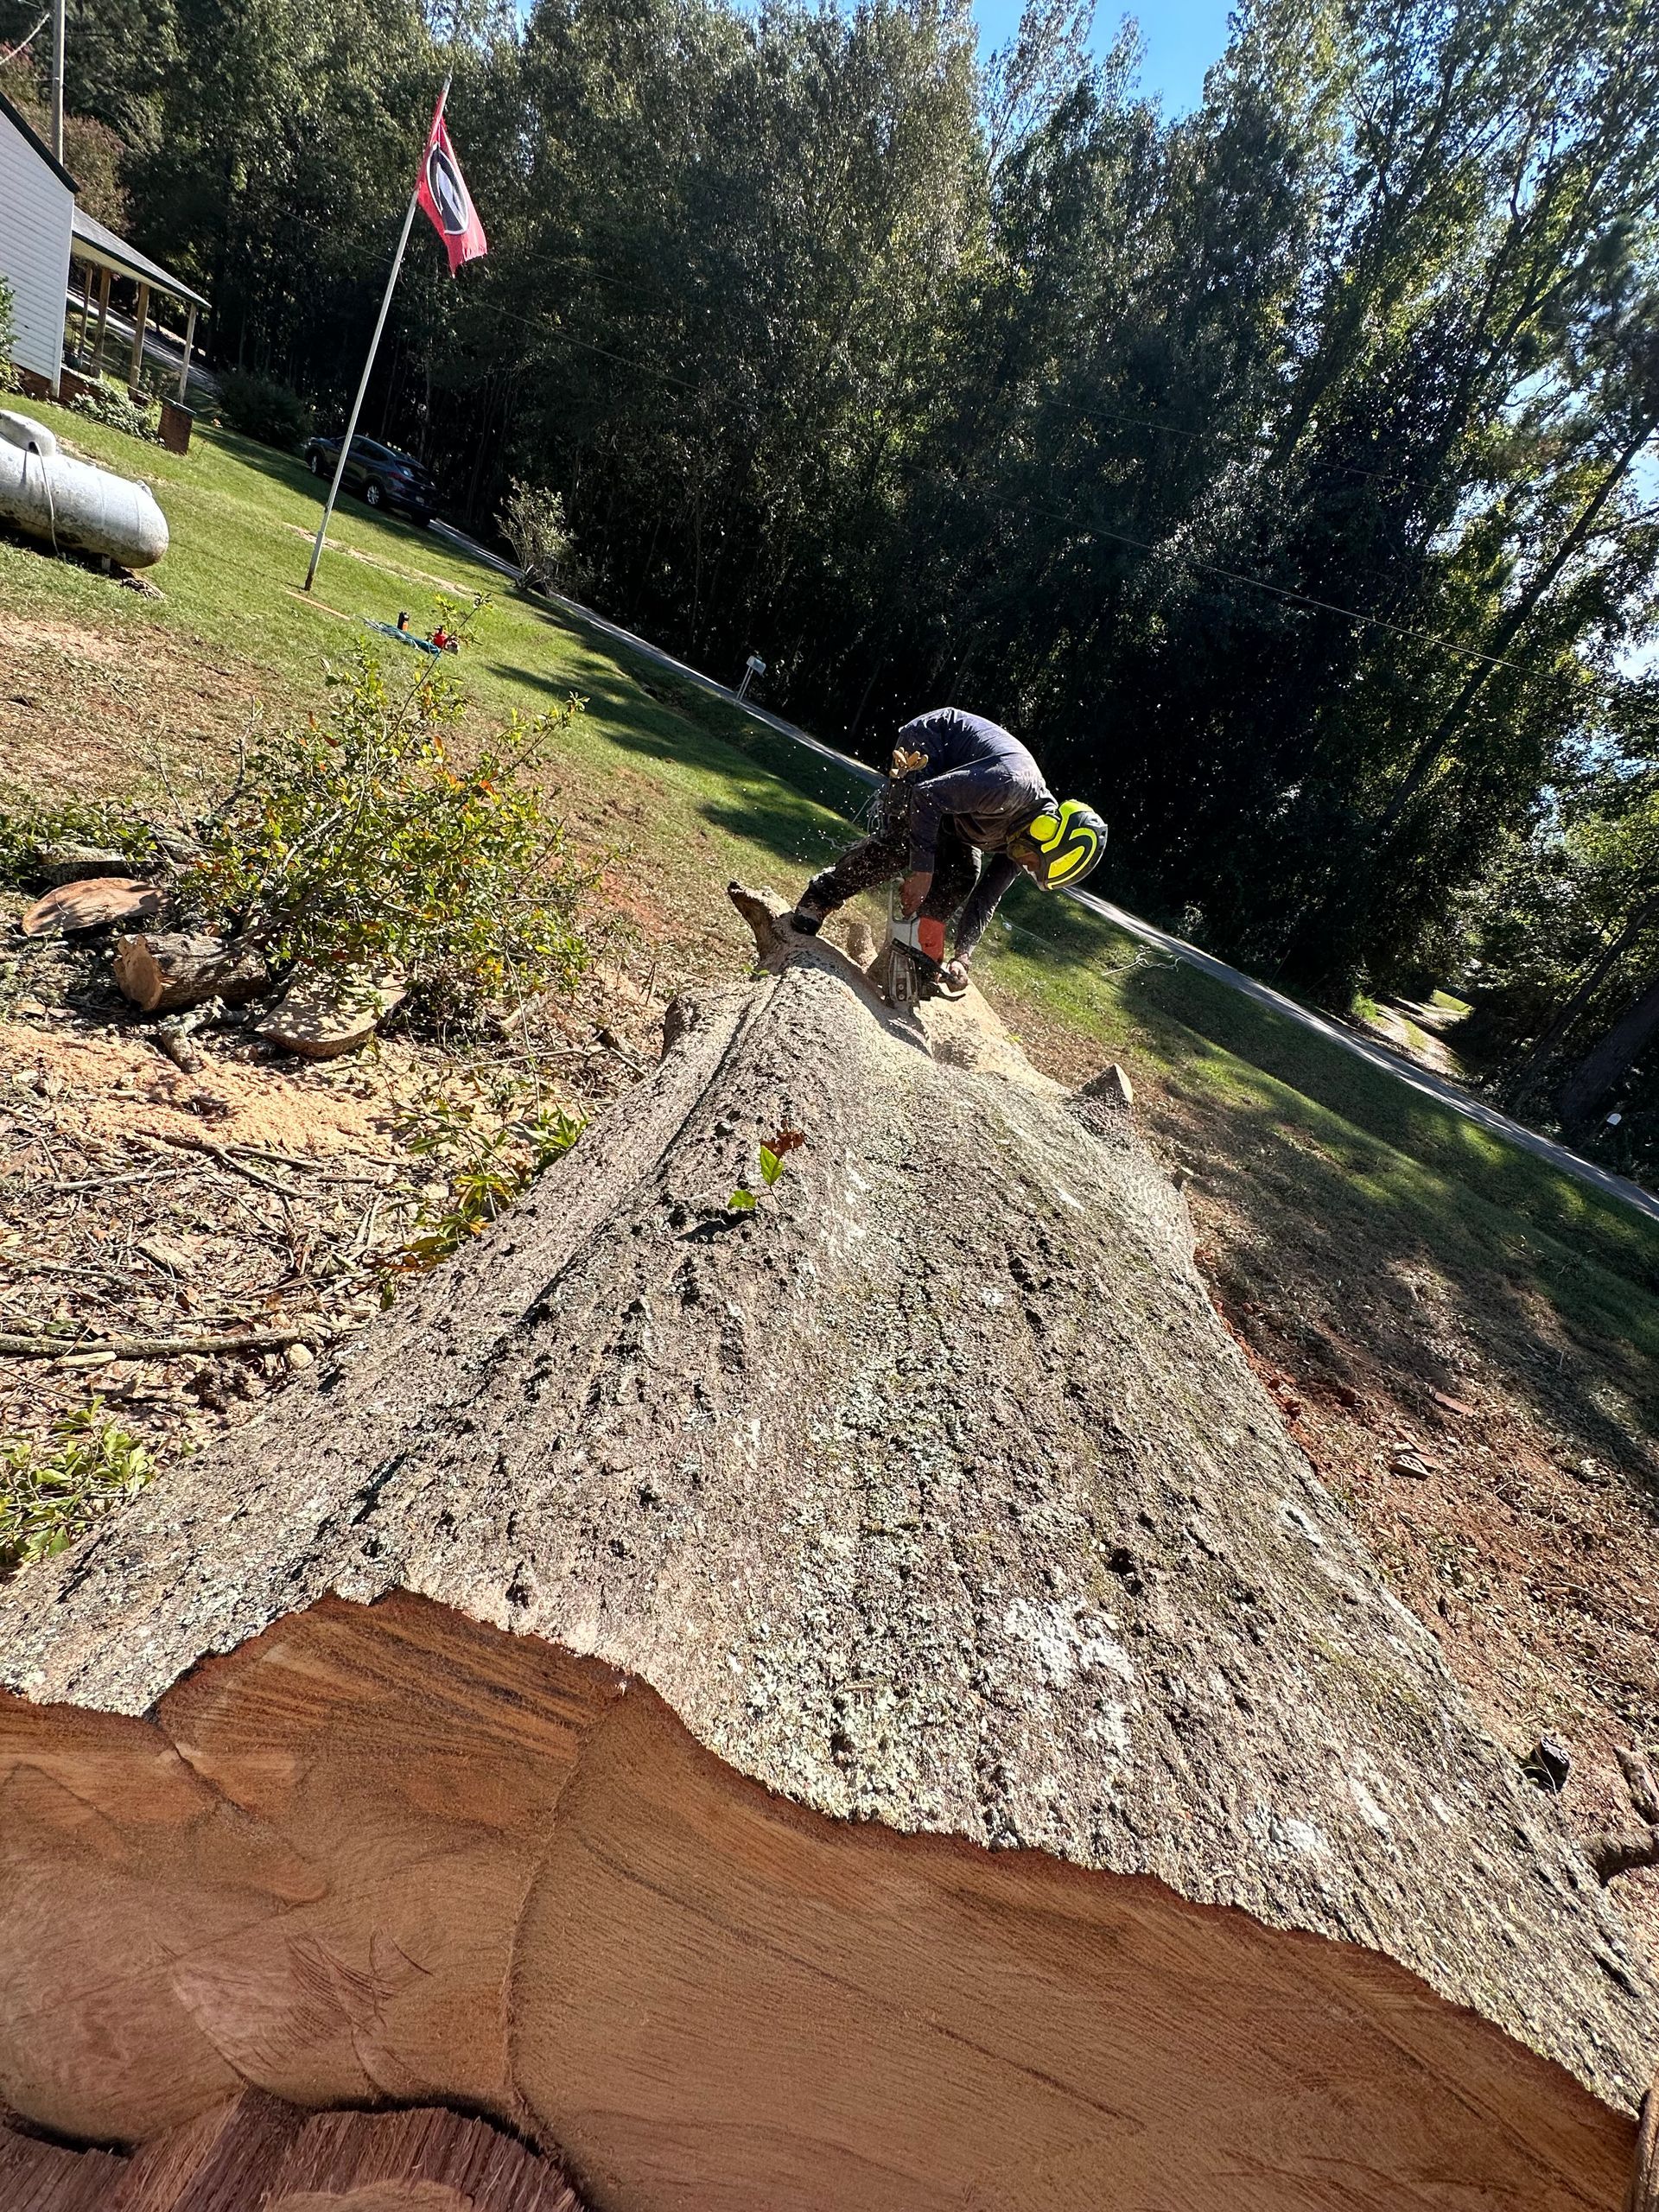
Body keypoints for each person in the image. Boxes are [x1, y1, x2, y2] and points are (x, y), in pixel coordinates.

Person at [786, 707, 1108, 988]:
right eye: (1034, 862)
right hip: (931, 746)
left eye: (1034, 870)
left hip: (956, 802)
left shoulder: (1024, 844)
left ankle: (915, 956)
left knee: (965, 871)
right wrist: (923, 870)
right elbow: (927, 797)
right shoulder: (1009, 786)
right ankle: (819, 898)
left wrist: (963, 956)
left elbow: (986, 896)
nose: (1027, 866)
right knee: (903, 844)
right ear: (1045, 831)